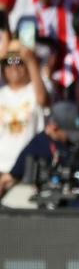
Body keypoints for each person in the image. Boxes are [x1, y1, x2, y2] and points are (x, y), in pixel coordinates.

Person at [0, 41, 49, 175]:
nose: (14, 66)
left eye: (19, 61)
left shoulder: (38, 89)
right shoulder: (1, 94)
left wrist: (32, 61)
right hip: (1, 165)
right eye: (8, 62)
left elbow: (43, 99)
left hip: (29, 166)